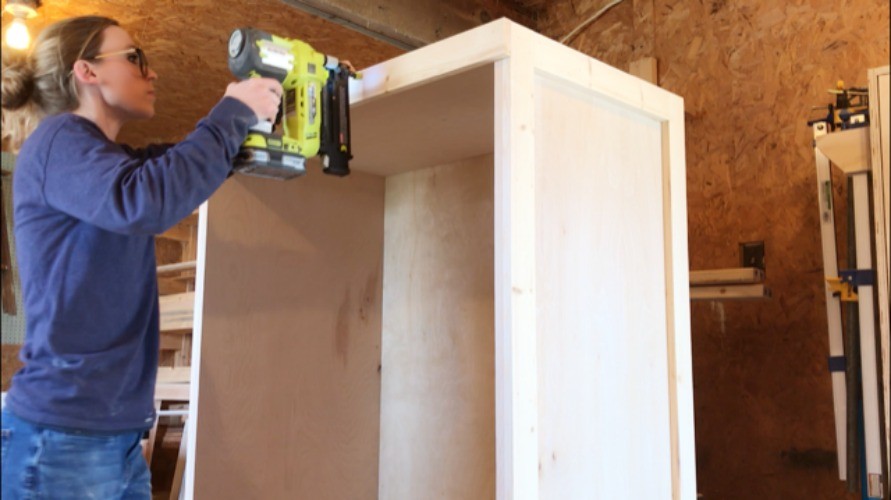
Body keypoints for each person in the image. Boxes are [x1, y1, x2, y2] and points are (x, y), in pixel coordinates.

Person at [0, 15, 282, 498]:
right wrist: (230, 113)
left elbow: (165, 170)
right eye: (135, 58)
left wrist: (242, 140)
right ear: (86, 71)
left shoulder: (106, 162)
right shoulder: (57, 141)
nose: (151, 73)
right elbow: (146, 199)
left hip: (111, 439)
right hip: (64, 439)